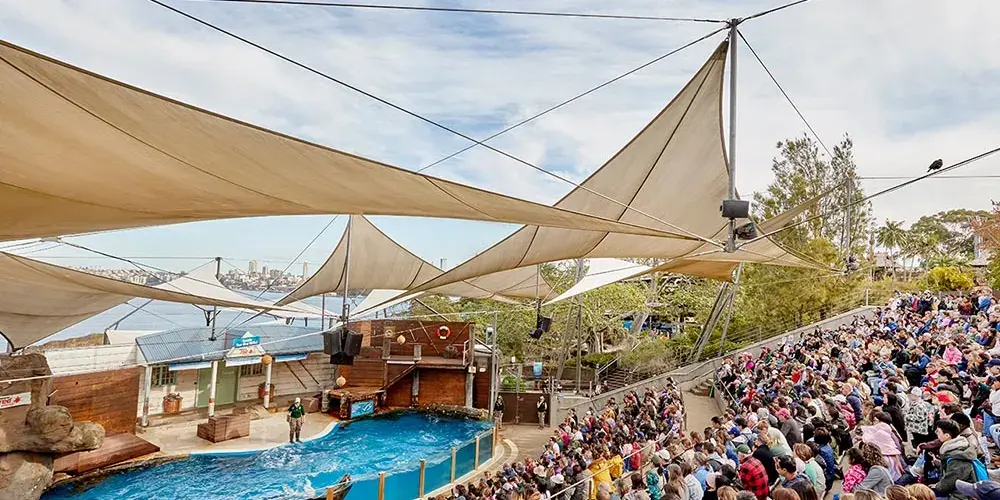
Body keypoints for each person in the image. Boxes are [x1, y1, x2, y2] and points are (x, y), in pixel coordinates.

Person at [934, 419, 979, 500]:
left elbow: (949, 482)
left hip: (960, 496)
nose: (935, 432)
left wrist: (937, 486)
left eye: (938, 431)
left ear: (947, 435)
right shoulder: (959, 445)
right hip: (958, 491)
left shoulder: (957, 457)